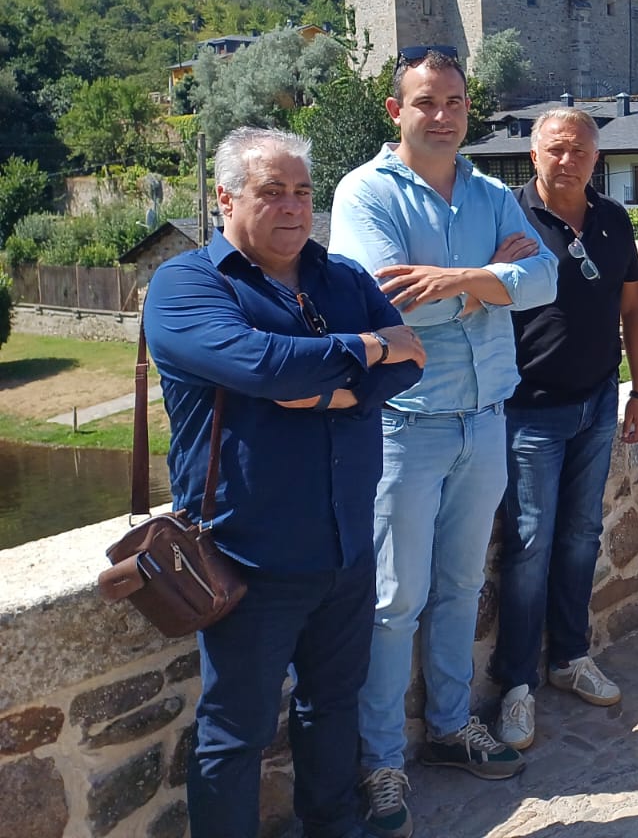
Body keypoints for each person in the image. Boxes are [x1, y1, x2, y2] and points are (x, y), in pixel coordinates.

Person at [143, 126, 426, 838]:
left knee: (332, 708)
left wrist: (334, 389)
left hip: (345, 547)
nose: (294, 208)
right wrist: (365, 347)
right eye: (272, 192)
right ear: (224, 198)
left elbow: (413, 360)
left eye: (302, 191)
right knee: (233, 734)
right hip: (247, 556)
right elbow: (265, 367)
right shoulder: (186, 287)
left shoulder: (343, 277)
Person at [329, 47, 559, 834]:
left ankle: (452, 729)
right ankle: (382, 763)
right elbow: (382, 303)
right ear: (396, 110)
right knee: (395, 601)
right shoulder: (365, 191)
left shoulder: (491, 192)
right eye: (427, 102)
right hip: (405, 426)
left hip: (484, 418)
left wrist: (453, 282)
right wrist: (488, 282)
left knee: (462, 587)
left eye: (455, 101)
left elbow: (547, 281)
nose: (444, 115)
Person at [492, 106, 638, 751]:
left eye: (582, 151)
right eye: (557, 149)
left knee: (582, 535)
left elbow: (634, 311)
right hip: (528, 408)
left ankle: (568, 657)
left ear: (596, 157)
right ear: (534, 154)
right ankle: (514, 685)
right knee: (530, 546)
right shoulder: (508, 218)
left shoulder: (613, 219)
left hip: (595, 404)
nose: (570, 160)